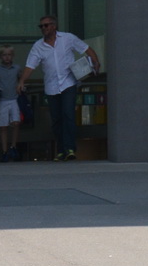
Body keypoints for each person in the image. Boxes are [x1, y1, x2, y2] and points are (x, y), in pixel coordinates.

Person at [19, 16, 99, 161]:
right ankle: (61, 150)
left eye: (46, 25)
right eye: (41, 26)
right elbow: (30, 65)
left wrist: (96, 62)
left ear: (54, 26)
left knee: (68, 114)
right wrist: (22, 80)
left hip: (68, 83)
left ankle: (70, 148)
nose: (44, 28)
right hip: (51, 87)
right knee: (56, 119)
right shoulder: (38, 46)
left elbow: (86, 48)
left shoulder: (68, 38)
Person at [0, 45, 23, 161]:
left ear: (12, 56)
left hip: (13, 98)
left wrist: (21, 85)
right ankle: (4, 150)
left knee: (16, 122)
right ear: (0, 57)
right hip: (2, 100)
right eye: (4, 55)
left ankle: (13, 146)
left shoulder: (17, 68)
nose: (7, 57)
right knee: (3, 126)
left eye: (9, 55)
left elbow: (21, 79)